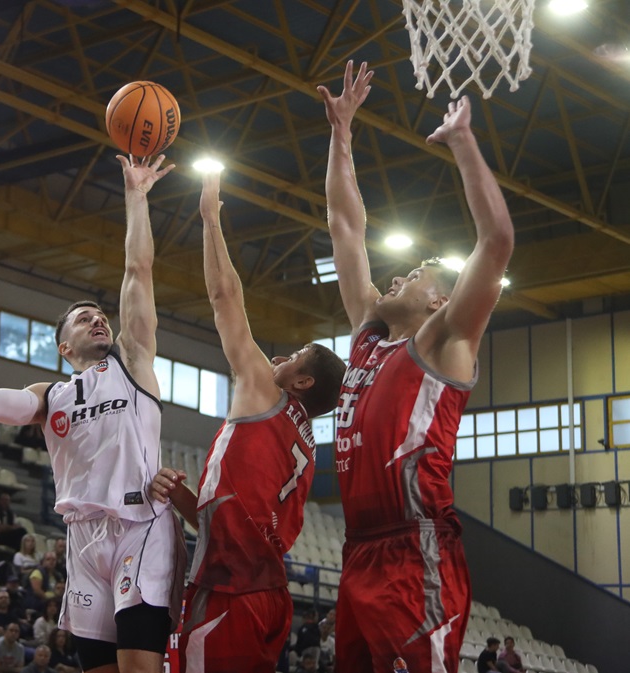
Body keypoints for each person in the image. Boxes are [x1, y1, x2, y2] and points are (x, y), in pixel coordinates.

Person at [0, 154, 180, 673]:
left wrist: (137, 197)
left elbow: (138, 271)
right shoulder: (53, 396)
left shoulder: (133, 365)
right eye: (83, 319)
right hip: (82, 539)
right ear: (64, 348)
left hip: (140, 526)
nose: (97, 321)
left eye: (100, 316)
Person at [319, 61, 514, 672]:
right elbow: (347, 228)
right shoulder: (368, 338)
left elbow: (498, 241)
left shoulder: (445, 338)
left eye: (417, 272)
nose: (398, 275)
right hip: (358, 551)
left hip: (415, 546)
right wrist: (341, 133)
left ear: (439, 300)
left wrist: (463, 142)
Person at [149, 171, 345, 672]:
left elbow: (224, 298)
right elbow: (238, 519)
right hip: (262, 590)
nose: (280, 356)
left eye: (297, 355)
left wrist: (210, 219)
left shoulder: (264, 393)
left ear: (302, 383)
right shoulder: (304, 442)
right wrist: (183, 497)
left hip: (233, 590)